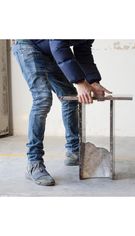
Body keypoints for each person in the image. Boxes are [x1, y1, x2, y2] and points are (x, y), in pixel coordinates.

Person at [12, 40, 111, 186]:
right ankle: (34, 162)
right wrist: (79, 82)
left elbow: (82, 51)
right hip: (28, 45)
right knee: (42, 99)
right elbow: (58, 44)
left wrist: (93, 80)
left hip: (50, 50)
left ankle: (74, 152)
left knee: (70, 97)